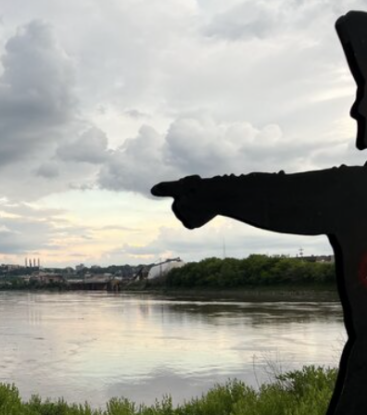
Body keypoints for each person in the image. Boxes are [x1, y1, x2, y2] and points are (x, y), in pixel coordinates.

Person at [151, 11, 367, 415]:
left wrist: (202, 195)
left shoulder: (356, 195)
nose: (356, 111)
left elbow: (280, 195)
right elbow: (280, 192)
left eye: (363, 95)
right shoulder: (354, 194)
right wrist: (207, 194)